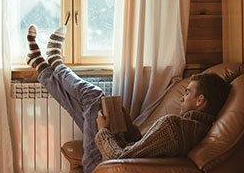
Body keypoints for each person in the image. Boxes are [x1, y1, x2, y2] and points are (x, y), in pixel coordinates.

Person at [26, 25, 231, 172]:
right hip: (113, 159)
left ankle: (54, 61)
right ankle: (41, 65)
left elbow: (120, 159)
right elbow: (144, 148)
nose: (182, 98)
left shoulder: (175, 126)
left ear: (200, 100)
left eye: (188, 93)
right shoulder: (196, 129)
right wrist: (127, 123)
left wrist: (105, 131)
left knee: (93, 95)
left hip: (104, 164)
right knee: (88, 108)